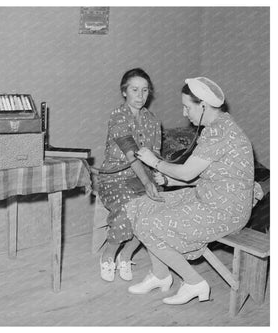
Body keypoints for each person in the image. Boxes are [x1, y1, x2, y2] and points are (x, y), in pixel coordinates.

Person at [125, 76, 257, 304]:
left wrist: (154, 162)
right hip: (207, 195)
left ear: (203, 106)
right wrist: (171, 181)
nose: (185, 113)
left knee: (150, 225)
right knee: (140, 207)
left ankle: (194, 282)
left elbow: (187, 172)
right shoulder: (216, 125)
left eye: (187, 107)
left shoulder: (220, 131)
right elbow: (210, 174)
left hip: (226, 210)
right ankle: (160, 276)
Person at [98, 68, 163, 282]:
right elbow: (131, 153)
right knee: (129, 205)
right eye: (134, 90)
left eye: (144, 90)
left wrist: (158, 179)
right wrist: (146, 182)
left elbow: (155, 156)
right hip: (114, 177)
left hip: (142, 177)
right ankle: (108, 255)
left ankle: (125, 256)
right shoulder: (118, 116)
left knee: (156, 206)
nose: (140, 95)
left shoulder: (152, 121)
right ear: (124, 92)